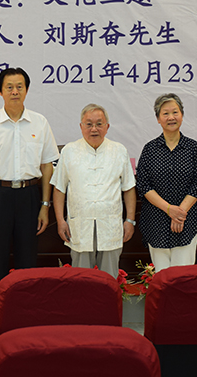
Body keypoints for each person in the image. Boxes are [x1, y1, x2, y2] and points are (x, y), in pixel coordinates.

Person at [0, 67, 59, 311]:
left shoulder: (39, 122)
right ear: (0, 91)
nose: (15, 91)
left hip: (30, 196)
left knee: (27, 257)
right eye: (9, 87)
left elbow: (47, 166)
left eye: (20, 86)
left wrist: (45, 205)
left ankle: (24, 311)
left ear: (27, 90)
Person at [51, 103, 136, 279]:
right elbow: (59, 189)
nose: (94, 129)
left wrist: (130, 220)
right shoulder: (69, 151)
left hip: (110, 226)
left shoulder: (119, 150)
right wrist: (60, 220)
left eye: (99, 124)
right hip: (80, 227)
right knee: (81, 281)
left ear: (107, 126)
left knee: (109, 281)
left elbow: (128, 188)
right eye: (89, 124)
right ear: (81, 126)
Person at [135, 93, 197, 272]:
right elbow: (143, 185)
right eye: (165, 113)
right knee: (161, 277)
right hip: (156, 221)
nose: (171, 117)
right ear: (158, 119)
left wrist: (179, 214)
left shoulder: (193, 148)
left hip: (186, 222)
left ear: (182, 115)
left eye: (175, 112)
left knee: (183, 277)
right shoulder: (150, 149)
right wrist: (169, 209)